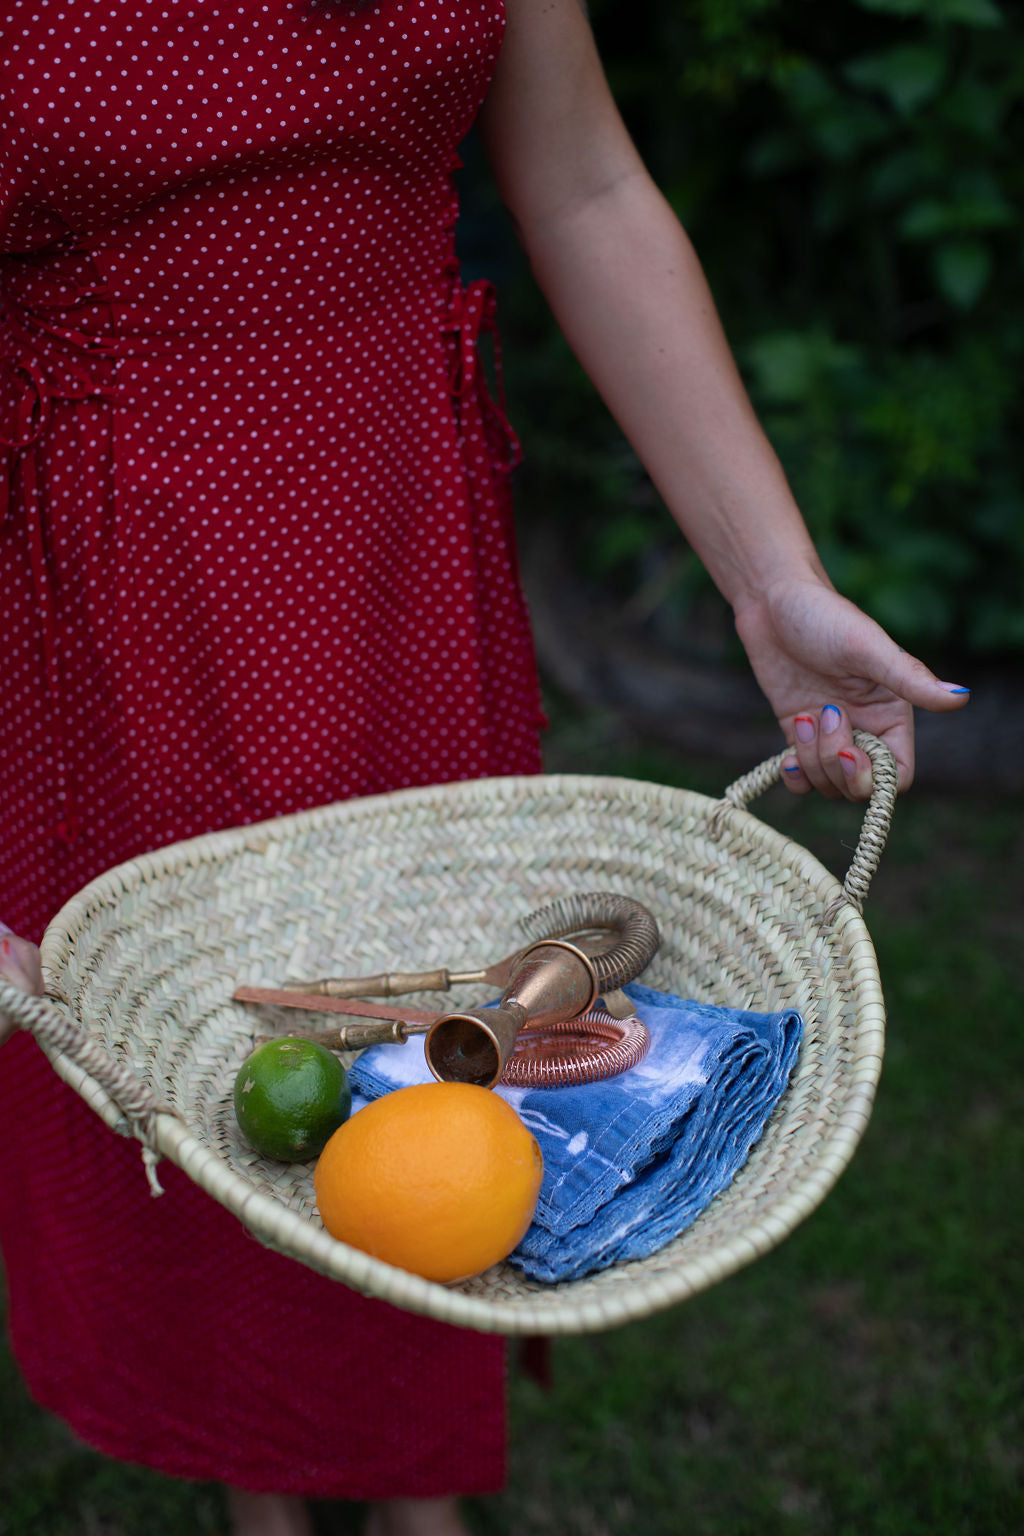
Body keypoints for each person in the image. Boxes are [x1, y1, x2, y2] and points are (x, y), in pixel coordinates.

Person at [0, 2, 970, 1533]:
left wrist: (768, 581)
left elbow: (584, 184)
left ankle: (416, 1481)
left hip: (395, 550)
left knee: (453, 1051)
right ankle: (275, 1490)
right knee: (206, 1064)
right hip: (108, 595)